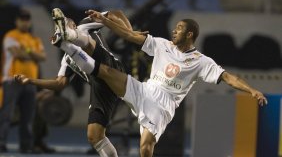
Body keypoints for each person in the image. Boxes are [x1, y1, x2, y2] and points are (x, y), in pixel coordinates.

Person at [18, 8, 268, 157]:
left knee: (145, 148)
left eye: (179, 28)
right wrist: (105, 21)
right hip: (143, 89)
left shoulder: (201, 61)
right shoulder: (161, 44)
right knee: (104, 71)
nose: (174, 31)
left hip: (162, 106)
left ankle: (67, 40)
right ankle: (65, 42)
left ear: (189, 34)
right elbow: (129, 34)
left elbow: (228, 77)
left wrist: (252, 90)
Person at [15, 9, 132, 157]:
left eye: (64, 26)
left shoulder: (85, 24)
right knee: (94, 136)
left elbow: (115, 13)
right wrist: (30, 80)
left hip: (111, 69)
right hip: (100, 87)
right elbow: (59, 83)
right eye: (59, 28)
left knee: (86, 41)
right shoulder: (67, 59)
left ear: (73, 24)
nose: (59, 30)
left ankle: (70, 36)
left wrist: (128, 30)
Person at [0, 9, 46, 153]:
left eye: (26, 19)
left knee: (28, 116)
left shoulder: (35, 39)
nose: (24, 22)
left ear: (29, 21)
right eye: (21, 19)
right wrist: (32, 53)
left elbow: (43, 57)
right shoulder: (11, 36)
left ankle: (26, 145)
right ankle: (1, 142)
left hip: (30, 82)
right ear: (16, 21)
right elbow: (17, 54)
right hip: (12, 81)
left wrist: (26, 50)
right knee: (6, 114)